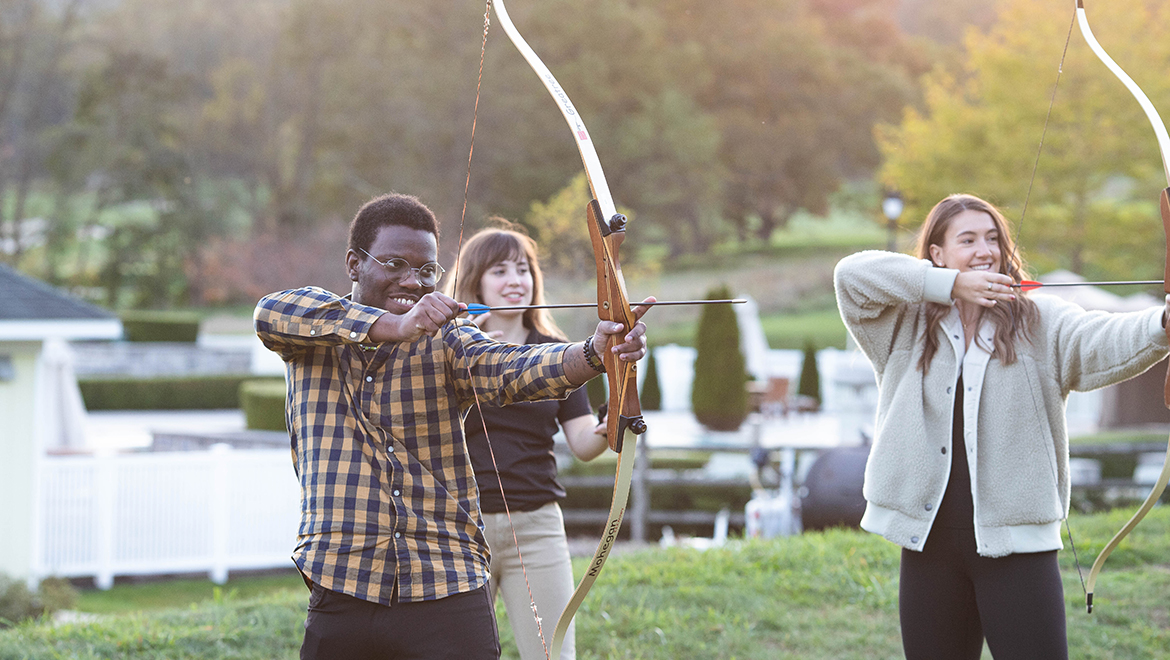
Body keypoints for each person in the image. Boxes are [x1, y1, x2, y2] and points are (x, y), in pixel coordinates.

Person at [253, 193, 651, 660]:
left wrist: (590, 354)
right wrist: (395, 327)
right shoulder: (312, 330)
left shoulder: (449, 340)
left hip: (447, 580)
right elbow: (270, 312)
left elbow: (513, 367)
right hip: (345, 581)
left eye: (426, 271)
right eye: (395, 263)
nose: (413, 281)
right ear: (354, 264)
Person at [833, 193, 1170, 660]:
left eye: (992, 238)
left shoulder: (1039, 320)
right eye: (967, 239)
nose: (984, 250)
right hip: (929, 546)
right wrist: (951, 287)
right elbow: (851, 275)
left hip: (1018, 551)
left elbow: (1102, 341)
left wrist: (1163, 323)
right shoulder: (902, 325)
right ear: (937, 253)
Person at [447, 224, 608, 660]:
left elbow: (583, 443)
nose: (516, 281)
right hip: (459, 529)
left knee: (552, 654)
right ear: (474, 281)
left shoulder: (564, 355)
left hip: (536, 528)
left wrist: (613, 425)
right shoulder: (444, 352)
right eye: (500, 271)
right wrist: (463, 346)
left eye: (523, 269)